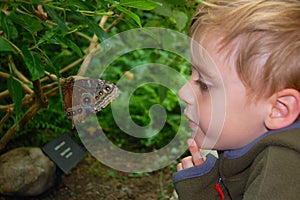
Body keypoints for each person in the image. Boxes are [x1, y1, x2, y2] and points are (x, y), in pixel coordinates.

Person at [172, 0, 300, 199]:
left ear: (278, 110)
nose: (183, 92)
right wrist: (205, 188)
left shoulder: (283, 169)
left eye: (204, 84)